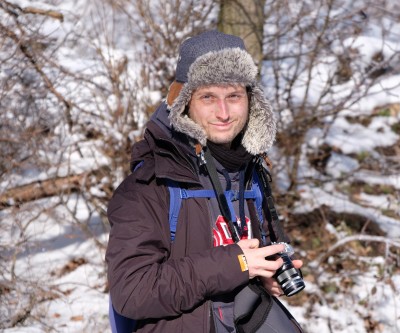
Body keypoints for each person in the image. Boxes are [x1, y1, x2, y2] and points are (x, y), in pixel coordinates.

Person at [105, 30, 303, 332]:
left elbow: (246, 256)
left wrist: (265, 271)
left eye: (233, 96)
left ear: (250, 101)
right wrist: (236, 263)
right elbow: (133, 292)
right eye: (208, 96)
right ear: (184, 103)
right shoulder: (149, 186)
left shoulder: (251, 172)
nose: (223, 113)